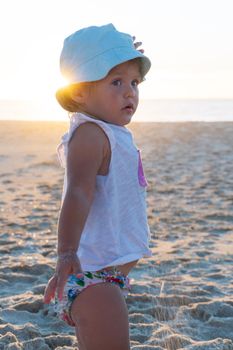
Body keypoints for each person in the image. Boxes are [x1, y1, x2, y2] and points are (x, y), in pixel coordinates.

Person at [44, 23, 152, 350]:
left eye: (134, 82)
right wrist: (65, 252)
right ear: (78, 91)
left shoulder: (108, 130)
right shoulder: (90, 135)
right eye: (115, 82)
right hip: (94, 280)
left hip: (107, 278)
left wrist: (120, 50)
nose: (129, 92)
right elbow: (78, 193)